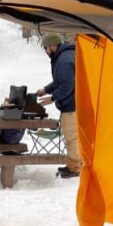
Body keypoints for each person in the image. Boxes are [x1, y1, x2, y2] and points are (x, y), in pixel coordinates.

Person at [36, 32, 79, 178]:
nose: (46, 51)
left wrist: (52, 98)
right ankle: (74, 165)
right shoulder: (66, 55)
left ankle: (75, 169)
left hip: (71, 106)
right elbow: (60, 81)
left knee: (71, 137)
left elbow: (67, 85)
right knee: (74, 137)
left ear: (53, 46)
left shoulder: (63, 60)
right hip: (76, 103)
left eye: (46, 47)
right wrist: (46, 89)